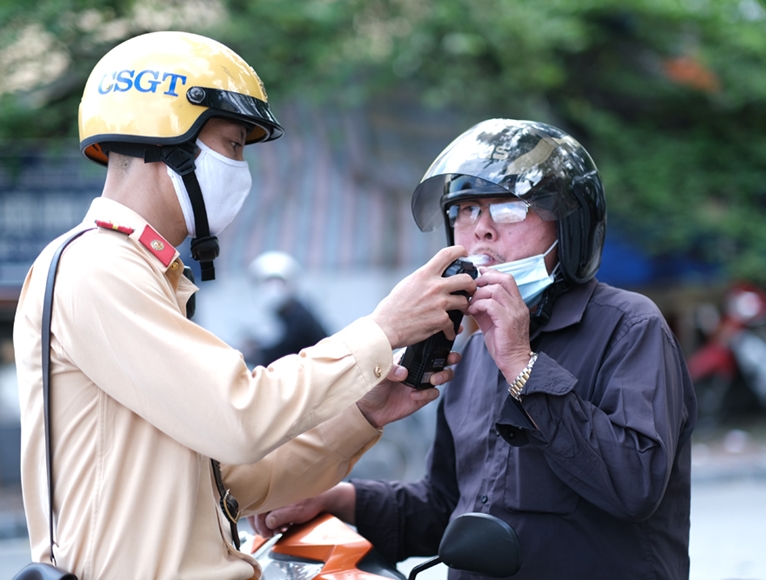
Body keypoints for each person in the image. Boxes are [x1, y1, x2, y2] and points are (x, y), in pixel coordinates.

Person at [13, 31, 476, 580]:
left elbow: (233, 478)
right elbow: (239, 417)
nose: (241, 168)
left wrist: (365, 412)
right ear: (167, 140)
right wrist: (382, 330)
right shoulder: (98, 266)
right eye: (232, 145)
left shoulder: (145, 274)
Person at [252, 118, 698, 579]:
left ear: (570, 226)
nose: (481, 230)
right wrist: (338, 498)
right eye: (465, 210)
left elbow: (635, 485)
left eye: (509, 209)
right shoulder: (473, 349)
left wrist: (522, 365)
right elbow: (450, 506)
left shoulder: (629, 326)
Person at [244, 251, 329, 366]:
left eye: (276, 283)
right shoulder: (286, 312)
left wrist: (256, 353)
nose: (272, 289)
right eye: (267, 283)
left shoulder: (300, 317)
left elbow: (284, 352)